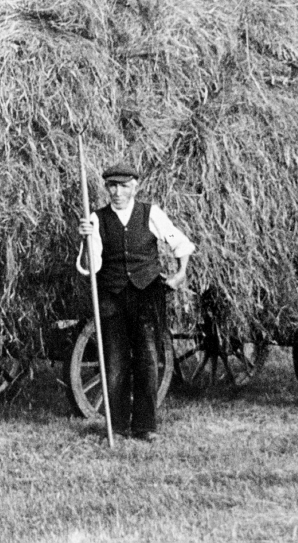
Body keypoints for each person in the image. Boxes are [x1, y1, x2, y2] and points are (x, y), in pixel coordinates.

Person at [76, 161, 193, 442]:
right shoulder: (96, 219)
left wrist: (179, 275)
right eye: (112, 186)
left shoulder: (150, 214)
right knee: (115, 360)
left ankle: (145, 426)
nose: (116, 192)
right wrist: (86, 240)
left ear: (134, 187)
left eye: (123, 186)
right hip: (113, 296)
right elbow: (91, 267)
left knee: (148, 359)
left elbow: (180, 243)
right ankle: (116, 427)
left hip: (147, 294)